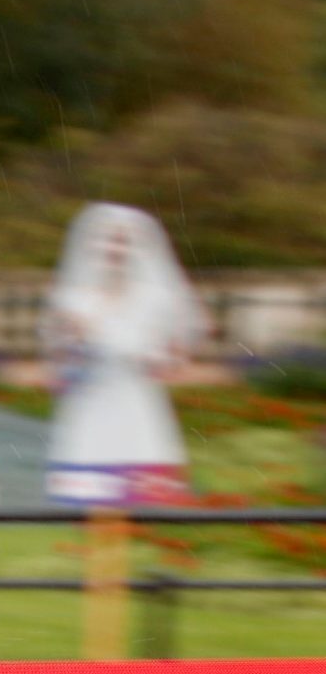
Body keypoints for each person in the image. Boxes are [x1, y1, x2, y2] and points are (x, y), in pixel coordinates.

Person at [42, 203, 206, 504]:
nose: (113, 249)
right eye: (105, 239)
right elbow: (61, 362)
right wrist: (71, 345)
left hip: (134, 401)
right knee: (88, 493)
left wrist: (95, 333)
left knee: (139, 492)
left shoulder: (155, 299)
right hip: (89, 403)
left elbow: (163, 358)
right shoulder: (73, 298)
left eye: (122, 241)